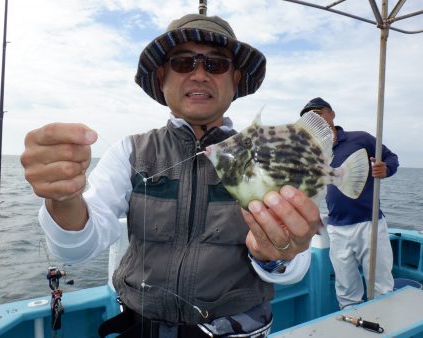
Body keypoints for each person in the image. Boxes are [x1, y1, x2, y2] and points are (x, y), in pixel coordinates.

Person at [21, 14, 321, 338]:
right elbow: (79, 248)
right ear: (162, 76)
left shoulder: (264, 152)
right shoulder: (130, 151)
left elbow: (295, 264)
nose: (200, 74)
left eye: (216, 65)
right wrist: (63, 199)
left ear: (235, 79)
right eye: (183, 63)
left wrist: (275, 254)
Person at [300, 97, 399, 309]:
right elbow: (310, 188)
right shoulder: (313, 153)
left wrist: (386, 168)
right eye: (309, 119)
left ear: (331, 113)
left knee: (381, 285)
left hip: (369, 223)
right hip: (336, 228)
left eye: (317, 114)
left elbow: (391, 157)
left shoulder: (360, 139)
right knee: (346, 289)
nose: (314, 120)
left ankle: (387, 322)